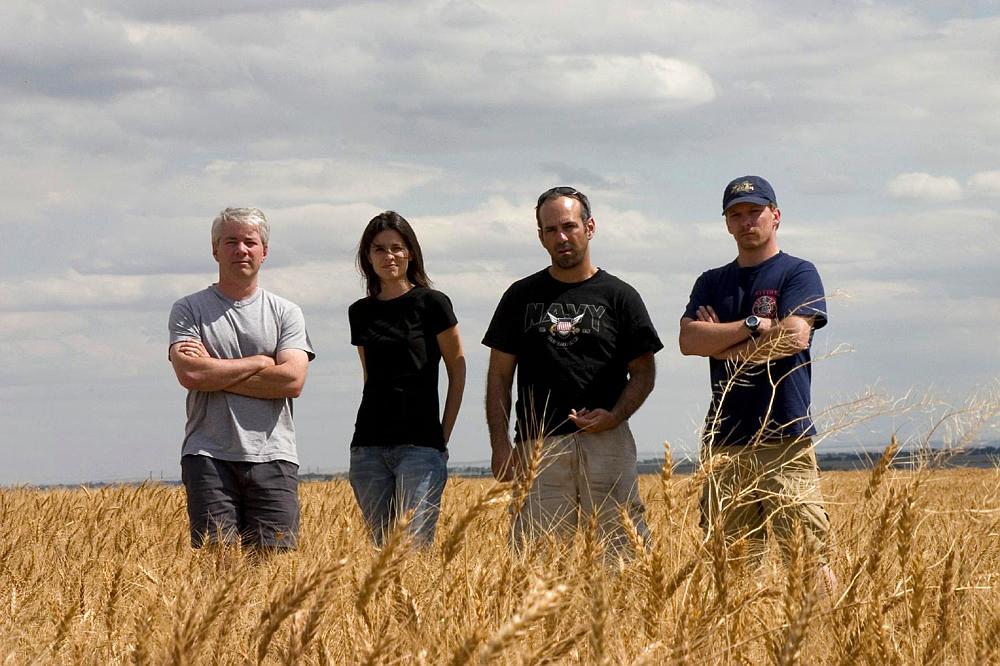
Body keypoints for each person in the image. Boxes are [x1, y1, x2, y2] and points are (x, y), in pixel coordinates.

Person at [484, 186, 662, 553]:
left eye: (569, 226)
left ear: (589, 227)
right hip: (539, 446)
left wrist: (614, 416)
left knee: (621, 554)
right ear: (541, 237)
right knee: (538, 560)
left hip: (607, 442)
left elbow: (644, 371)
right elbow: (499, 377)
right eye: (551, 230)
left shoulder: (620, 296)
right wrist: (500, 444)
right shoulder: (519, 297)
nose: (561, 237)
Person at [679, 175, 835, 589]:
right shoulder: (711, 281)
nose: (746, 221)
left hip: (784, 435)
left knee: (808, 558)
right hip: (725, 441)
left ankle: (831, 626)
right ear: (727, 223)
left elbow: (794, 336)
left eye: (755, 212)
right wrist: (752, 325)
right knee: (731, 566)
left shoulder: (798, 272)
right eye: (736, 214)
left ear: (775, 216)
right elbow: (689, 340)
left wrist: (723, 347)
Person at [168, 207, 314, 552]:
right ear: (215, 250)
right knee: (218, 564)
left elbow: (292, 381)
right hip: (208, 455)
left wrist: (214, 372)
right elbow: (189, 373)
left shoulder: (286, 312)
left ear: (265, 251)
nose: (241, 250)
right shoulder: (188, 309)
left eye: (250, 242)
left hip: (274, 455)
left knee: (273, 566)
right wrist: (260, 362)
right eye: (231, 241)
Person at [348, 211, 466, 547]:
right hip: (368, 447)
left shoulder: (432, 303)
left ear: (410, 253)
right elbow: (369, 376)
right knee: (381, 552)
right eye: (379, 249)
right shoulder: (359, 312)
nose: (389, 256)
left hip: (420, 447)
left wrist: (442, 436)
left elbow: (457, 369)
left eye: (396, 248)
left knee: (413, 551)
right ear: (368, 257)